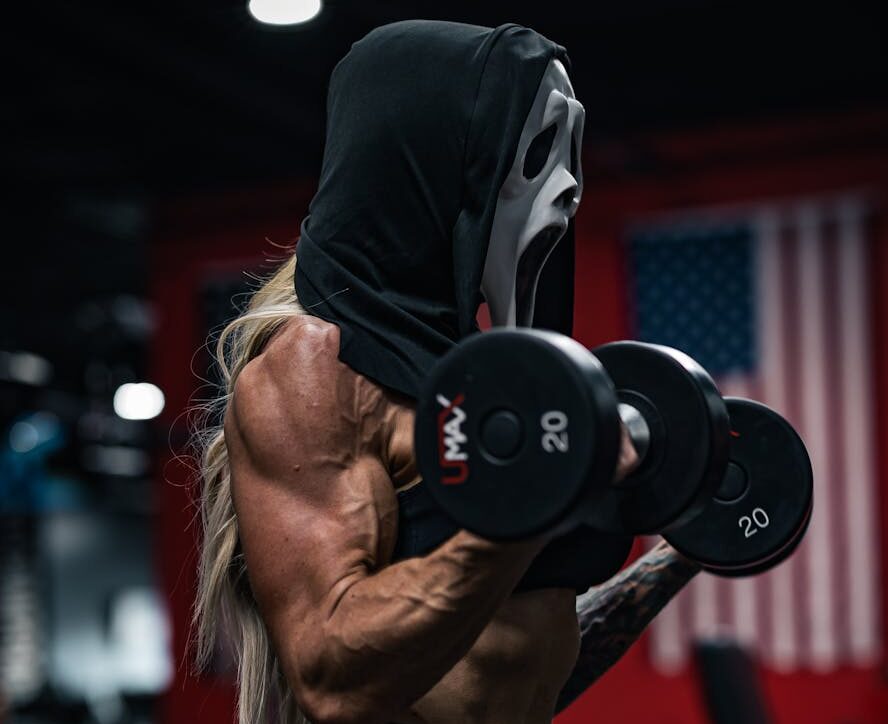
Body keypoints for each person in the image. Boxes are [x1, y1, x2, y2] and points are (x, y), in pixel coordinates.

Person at [193, 20, 701, 724]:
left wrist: (684, 548)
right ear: (436, 160)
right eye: (539, 149)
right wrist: (528, 506)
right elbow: (332, 680)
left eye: (572, 154)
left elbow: (504, 664)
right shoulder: (316, 370)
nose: (569, 189)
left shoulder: (475, 383)